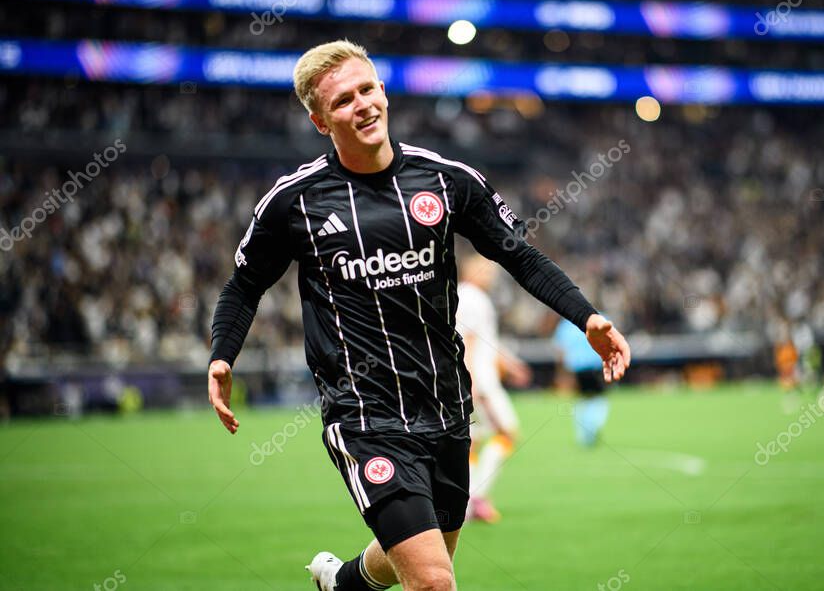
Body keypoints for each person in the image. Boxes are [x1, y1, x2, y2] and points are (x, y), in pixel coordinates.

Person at [206, 39, 630, 591]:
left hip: (447, 405)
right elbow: (243, 286)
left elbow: (517, 254)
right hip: (365, 415)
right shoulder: (296, 202)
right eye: (342, 102)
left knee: (410, 556)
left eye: (367, 89)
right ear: (319, 120)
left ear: (383, 91)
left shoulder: (447, 180)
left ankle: (341, 584)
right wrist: (222, 354)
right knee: (433, 582)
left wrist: (587, 316)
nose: (361, 105)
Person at [454, 252, 531, 524]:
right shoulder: (473, 298)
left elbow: (485, 342)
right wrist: (472, 383)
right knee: (507, 434)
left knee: (473, 442)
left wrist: (510, 366)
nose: (490, 275)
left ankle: (467, 501)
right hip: (482, 383)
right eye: (484, 270)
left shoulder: (464, 296)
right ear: (469, 270)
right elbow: (469, 343)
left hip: (477, 380)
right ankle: (477, 498)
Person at [553, 317, 609, 447]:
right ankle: (592, 425)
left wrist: (561, 372)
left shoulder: (566, 324)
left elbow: (560, 349)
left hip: (576, 367)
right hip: (595, 366)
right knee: (598, 398)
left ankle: (583, 432)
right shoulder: (599, 317)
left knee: (582, 399)